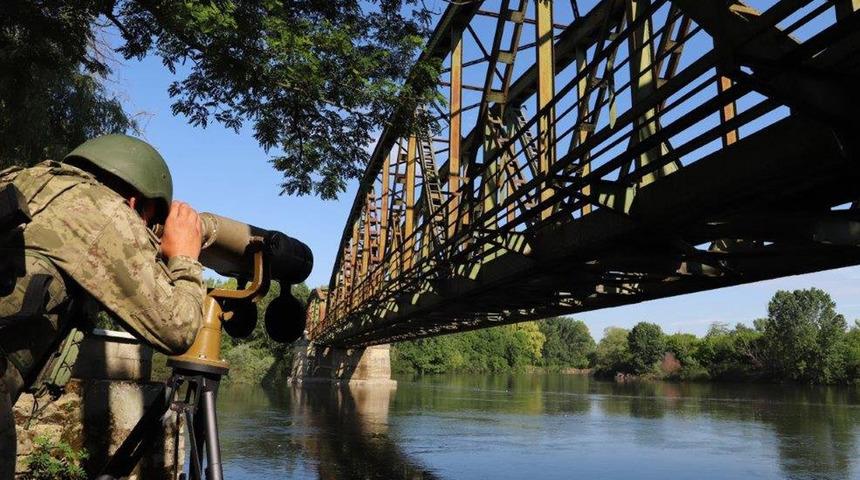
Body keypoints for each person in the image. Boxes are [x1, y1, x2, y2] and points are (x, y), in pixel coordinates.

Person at [0, 134, 206, 477]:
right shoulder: (105, 209)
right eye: (148, 222)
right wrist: (185, 258)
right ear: (133, 201)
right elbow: (178, 328)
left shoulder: (20, 179)